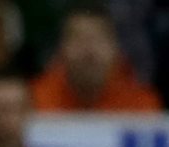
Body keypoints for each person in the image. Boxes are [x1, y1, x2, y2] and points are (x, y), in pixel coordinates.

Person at [29, 1, 162, 112]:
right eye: (78, 38)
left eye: (99, 39)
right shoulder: (34, 100)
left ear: (116, 49)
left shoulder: (141, 104)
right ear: (61, 49)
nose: (89, 51)